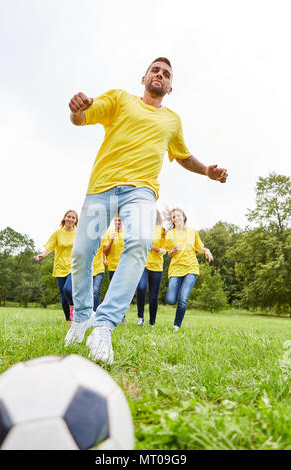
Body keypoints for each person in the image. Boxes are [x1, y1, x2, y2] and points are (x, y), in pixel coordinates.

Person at [65, 57, 228, 363]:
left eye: (166, 74)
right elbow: (81, 117)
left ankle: (103, 326)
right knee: (82, 252)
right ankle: (83, 317)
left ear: (170, 86)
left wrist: (207, 170)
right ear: (144, 78)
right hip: (101, 188)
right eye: (155, 70)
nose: (160, 75)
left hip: (141, 192)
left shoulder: (172, 120)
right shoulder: (119, 99)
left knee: (139, 241)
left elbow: (182, 156)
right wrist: (75, 110)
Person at [165, 208, 213, 331]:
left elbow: (199, 248)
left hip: (191, 267)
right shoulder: (170, 234)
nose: (176, 218)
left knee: (183, 299)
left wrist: (206, 250)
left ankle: (177, 326)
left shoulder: (193, 232)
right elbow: (168, 252)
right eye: (174, 217)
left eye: (178, 216)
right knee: (170, 300)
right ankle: (177, 320)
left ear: (184, 217)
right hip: (176, 268)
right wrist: (172, 251)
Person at [36, 210, 78, 325]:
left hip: (73, 266)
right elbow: (50, 246)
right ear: (64, 218)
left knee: (68, 289)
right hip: (59, 267)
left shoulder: (78, 234)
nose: (70, 219)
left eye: (73, 218)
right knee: (63, 297)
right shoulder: (57, 233)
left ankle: (74, 305)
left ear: (76, 220)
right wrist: (43, 255)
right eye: (68, 217)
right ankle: (68, 320)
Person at [136, 210, 166, 327]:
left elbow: (165, 250)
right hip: (143, 264)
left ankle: (152, 322)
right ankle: (140, 317)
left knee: (153, 295)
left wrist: (155, 248)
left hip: (157, 266)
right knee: (141, 287)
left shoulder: (162, 230)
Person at [102, 216, 125, 282]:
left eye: (119, 220)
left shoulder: (127, 234)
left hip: (125, 267)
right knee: (114, 290)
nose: (117, 222)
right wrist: (111, 241)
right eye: (115, 220)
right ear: (113, 221)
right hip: (113, 267)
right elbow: (106, 252)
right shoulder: (108, 233)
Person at [92, 240, 106, 312]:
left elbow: (104, 249)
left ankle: (95, 312)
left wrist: (104, 258)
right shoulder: (86, 239)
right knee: (88, 294)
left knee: (95, 291)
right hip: (88, 271)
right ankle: (89, 313)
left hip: (99, 270)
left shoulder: (101, 238)